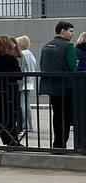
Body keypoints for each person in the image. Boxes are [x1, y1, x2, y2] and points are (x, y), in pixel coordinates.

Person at [39, 20, 78, 149]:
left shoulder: (46, 46)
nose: (72, 34)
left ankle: (57, 143)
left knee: (57, 116)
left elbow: (42, 65)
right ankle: (62, 144)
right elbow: (73, 66)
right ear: (63, 31)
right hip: (66, 87)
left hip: (52, 87)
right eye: (70, 31)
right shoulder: (69, 46)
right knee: (66, 117)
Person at [0, 35, 24, 147]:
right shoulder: (11, 59)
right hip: (9, 91)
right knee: (11, 116)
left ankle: (6, 138)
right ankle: (13, 139)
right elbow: (19, 75)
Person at [17, 35, 38, 136]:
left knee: (22, 104)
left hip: (23, 82)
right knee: (26, 103)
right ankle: (29, 125)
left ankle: (26, 125)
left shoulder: (22, 54)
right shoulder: (30, 54)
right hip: (29, 82)